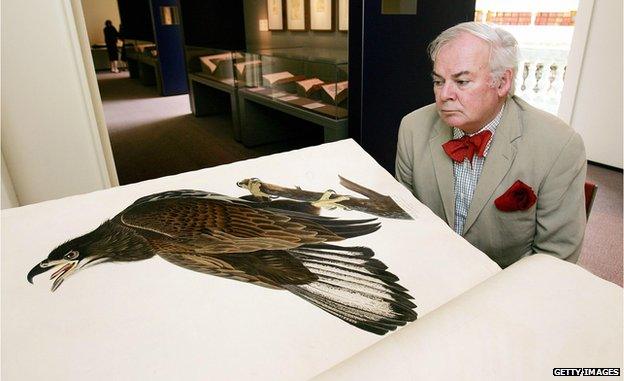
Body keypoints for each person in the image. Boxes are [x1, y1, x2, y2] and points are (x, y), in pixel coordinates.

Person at [395, 22, 586, 267]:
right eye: (439, 81)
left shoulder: (559, 145)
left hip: (507, 287)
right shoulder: (412, 128)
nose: (444, 95)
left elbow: (555, 257)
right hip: (428, 269)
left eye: (461, 81)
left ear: (503, 82)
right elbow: (405, 218)